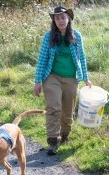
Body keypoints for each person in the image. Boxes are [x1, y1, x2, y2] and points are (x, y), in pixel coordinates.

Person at [33, 6, 92, 156]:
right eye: (57, 18)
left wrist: (86, 78)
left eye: (63, 17)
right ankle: (53, 141)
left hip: (72, 77)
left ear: (68, 19)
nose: (60, 20)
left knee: (68, 111)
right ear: (54, 20)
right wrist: (38, 81)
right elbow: (42, 59)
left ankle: (64, 136)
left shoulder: (76, 36)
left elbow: (82, 58)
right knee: (54, 107)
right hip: (52, 76)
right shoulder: (49, 37)